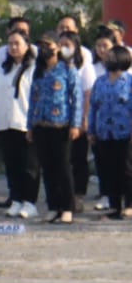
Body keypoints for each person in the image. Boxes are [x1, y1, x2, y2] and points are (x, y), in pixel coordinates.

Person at [28, 32, 83, 224]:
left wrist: (75, 124)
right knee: (48, 167)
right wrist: (30, 126)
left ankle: (67, 207)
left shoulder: (67, 68)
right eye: (41, 46)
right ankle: (53, 206)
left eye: (48, 45)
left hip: (61, 125)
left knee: (63, 167)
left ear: (57, 47)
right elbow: (32, 99)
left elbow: (76, 98)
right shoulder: (39, 70)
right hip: (41, 124)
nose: (44, 49)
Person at [0, 30, 40, 219]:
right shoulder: (4, 68)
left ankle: (30, 202)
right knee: (12, 164)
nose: (13, 47)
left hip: (24, 122)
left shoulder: (34, 68)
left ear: (27, 46)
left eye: (17, 43)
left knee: (29, 165)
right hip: (6, 122)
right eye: (10, 43)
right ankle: (17, 199)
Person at [88, 45, 132, 219]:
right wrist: (91, 130)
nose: (107, 59)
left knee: (127, 169)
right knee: (109, 170)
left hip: (125, 133)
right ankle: (114, 205)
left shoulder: (129, 82)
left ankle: (129, 204)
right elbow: (93, 107)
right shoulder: (100, 82)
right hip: (104, 133)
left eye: (112, 57)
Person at [58, 31, 94, 211]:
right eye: (61, 44)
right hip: (59, 120)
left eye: (68, 45)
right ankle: (63, 195)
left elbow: (87, 95)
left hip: (77, 118)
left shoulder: (84, 67)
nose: (63, 48)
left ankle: (79, 194)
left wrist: (84, 118)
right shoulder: (54, 67)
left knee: (79, 158)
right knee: (64, 159)